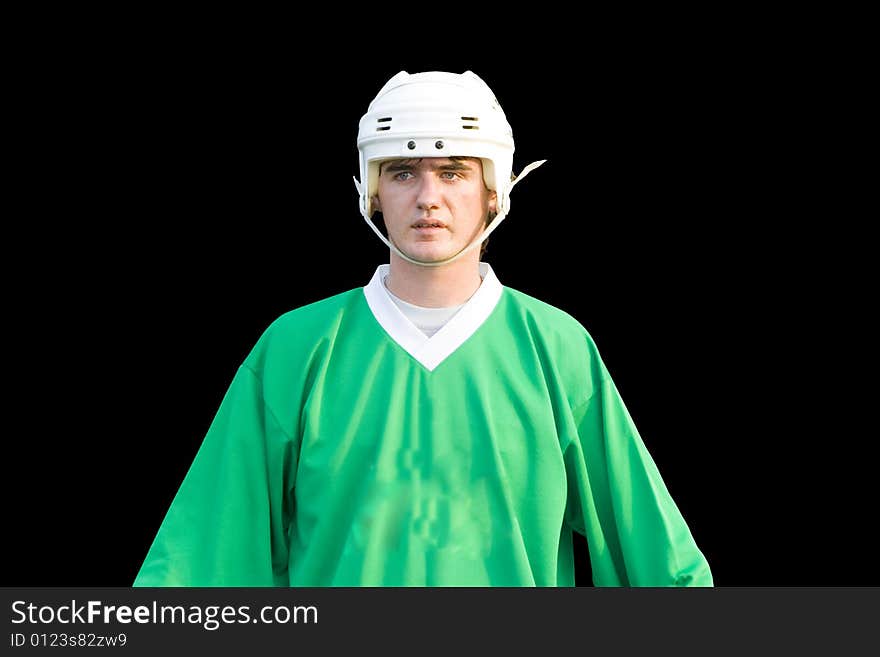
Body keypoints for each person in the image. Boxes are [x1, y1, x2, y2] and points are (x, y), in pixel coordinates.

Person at [133, 70, 712, 587]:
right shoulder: (296, 348)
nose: (428, 198)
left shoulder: (557, 349)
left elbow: (657, 563)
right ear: (373, 190)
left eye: (454, 171)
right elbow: (202, 562)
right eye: (404, 171)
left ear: (494, 191)